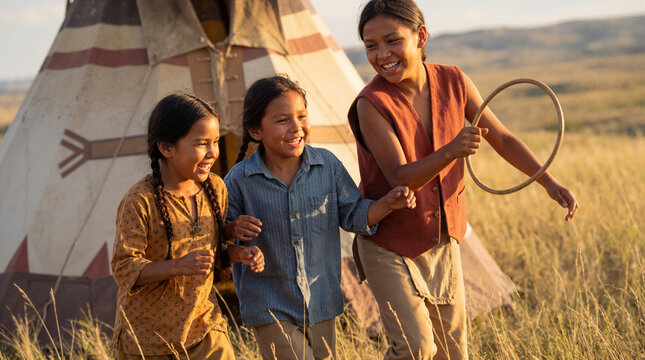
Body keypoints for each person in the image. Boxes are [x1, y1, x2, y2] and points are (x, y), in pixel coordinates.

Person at [347, 1, 580, 359]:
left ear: (420, 36)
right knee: (415, 349)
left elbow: (501, 137)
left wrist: (547, 181)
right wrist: (452, 151)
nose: (382, 54)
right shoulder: (370, 104)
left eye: (393, 41)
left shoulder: (454, 80)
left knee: (453, 352)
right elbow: (399, 177)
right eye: (371, 45)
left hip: (442, 239)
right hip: (388, 243)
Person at [223, 75, 416, 360]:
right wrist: (234, 237)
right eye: (282, 120)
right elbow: (218, 238)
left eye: (302, 116)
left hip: (321, 301)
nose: (296, 127)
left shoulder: (327, 166)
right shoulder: (239, 179)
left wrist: (387, 203)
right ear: (256, 131)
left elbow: (352, 215)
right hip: (268, 304)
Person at [111, 93, 265, 359]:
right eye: (201, 144)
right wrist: (178, 266)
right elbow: (124, 268)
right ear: (167, 148)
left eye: (215, 142)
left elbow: (209, 252)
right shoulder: (140, 200)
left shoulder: (215, 188)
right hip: (148, 339)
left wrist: (238, 253)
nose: (212, 152)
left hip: (204, 328)